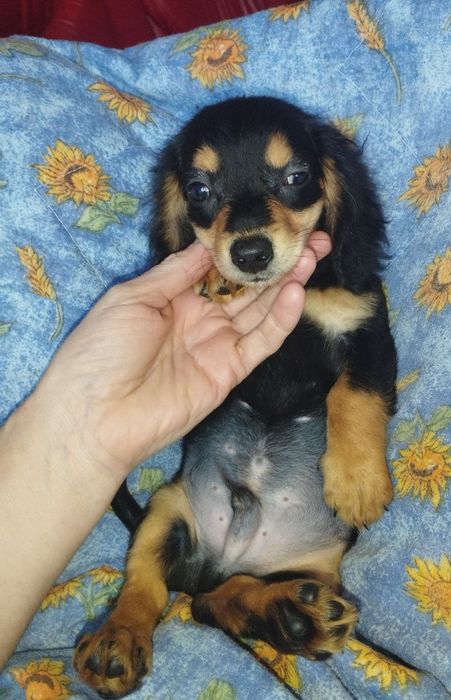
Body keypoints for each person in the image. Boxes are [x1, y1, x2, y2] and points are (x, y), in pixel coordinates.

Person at [0, 232, 331, 668]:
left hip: (302, 552)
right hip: (207, 513)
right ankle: (139, 609)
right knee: (166, 521)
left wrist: (82, 437)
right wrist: (83, 432)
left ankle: (234, 603)